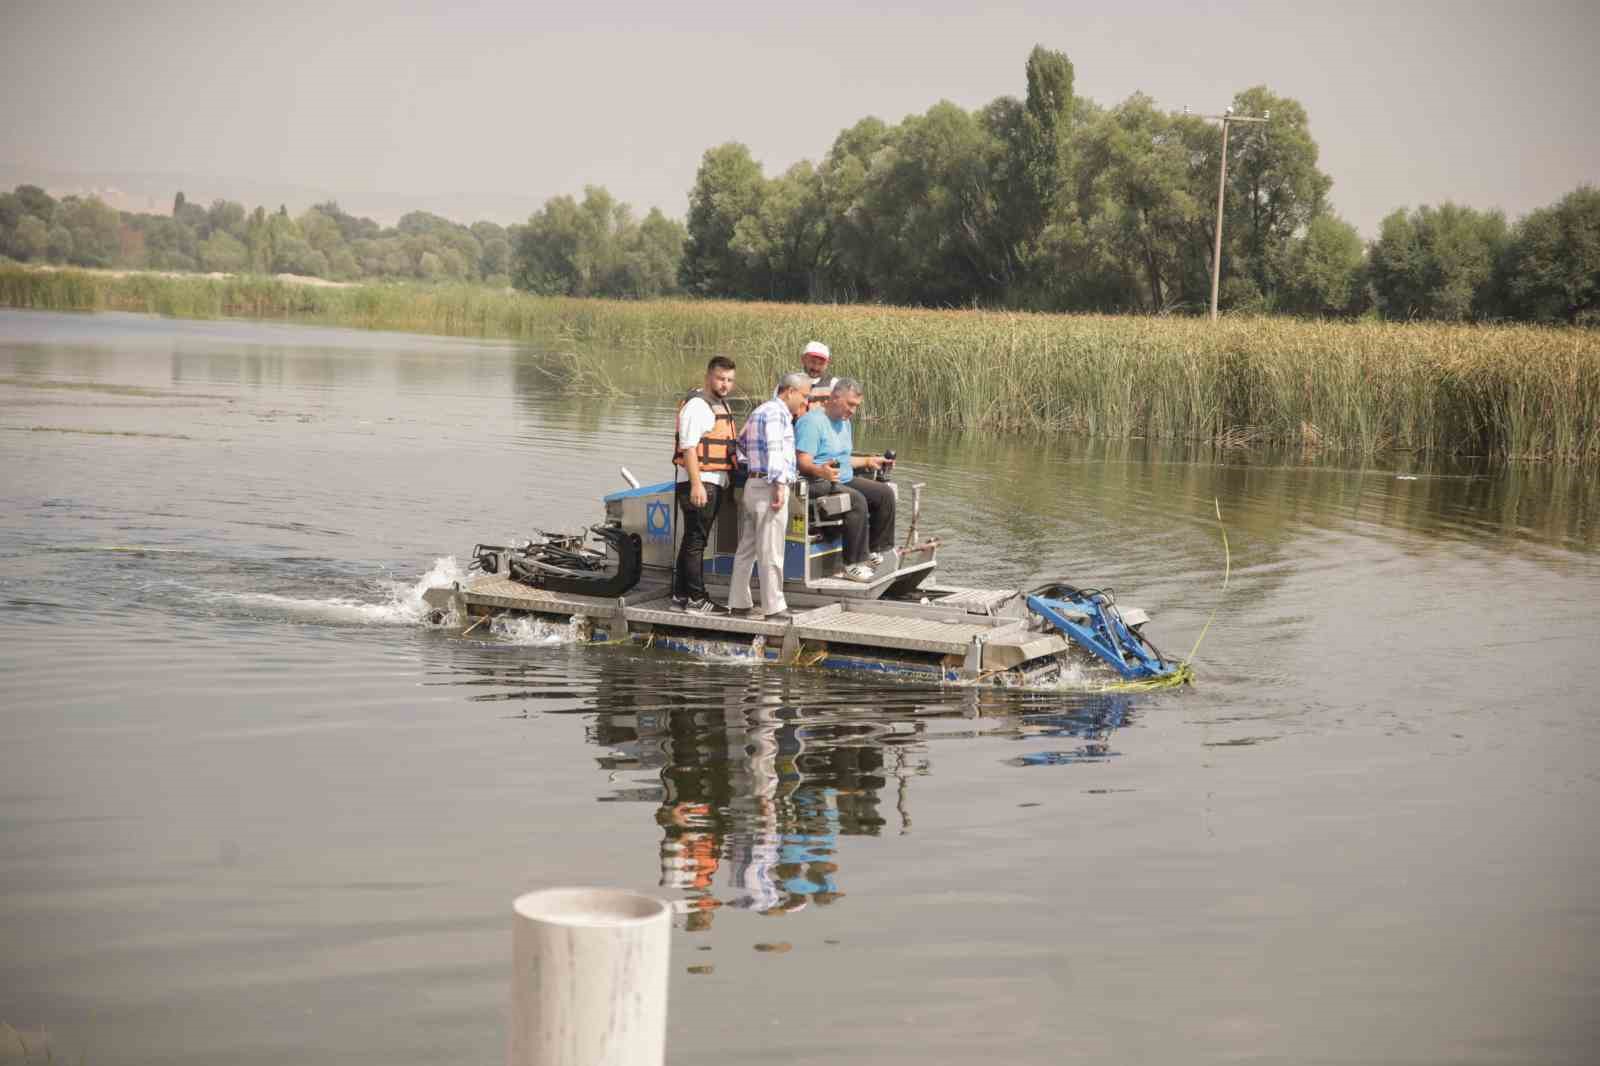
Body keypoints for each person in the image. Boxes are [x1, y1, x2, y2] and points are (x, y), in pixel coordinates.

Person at [793, 377, 895, 582]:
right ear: (835, 397)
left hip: (842, 478)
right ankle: (852, 564)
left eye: (856, 406)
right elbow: (802, 463)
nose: (853, 411)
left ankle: (874, 551)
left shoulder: (845, 423)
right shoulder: (812, 422)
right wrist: (822, 472)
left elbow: (843, 458)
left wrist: (868, 460)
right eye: (850, 405)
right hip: (816, 481)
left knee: (885, 494)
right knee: (856, 500)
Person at [729, 372, 810, 619]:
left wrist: (752, 465)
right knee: (771, 550)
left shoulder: (759, 411)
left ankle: (739, 602)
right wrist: (778, 484)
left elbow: (740, 442)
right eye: (804, 396)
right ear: (790, 391)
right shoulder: (777, 413)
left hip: (753, 485)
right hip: (768, 486)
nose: (804, 403)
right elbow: (775, 449)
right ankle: (774, 608)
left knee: (747, 549)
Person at [672, 355, 738, 612]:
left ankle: (681, 593)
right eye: (721, 378)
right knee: (697, 542)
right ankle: (697, 600)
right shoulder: (698, 406)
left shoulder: (719, 404)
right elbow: (688, 448)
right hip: (700, 483)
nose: (725, 384)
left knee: (692, 539)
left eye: (730, 380)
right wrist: (697, 485)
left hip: (712, 482)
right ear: (708, 376)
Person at [797, 340, 838, 410]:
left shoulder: (833, 384)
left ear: (827, 364)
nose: (816, 367)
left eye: (821, 364)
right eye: (813, 362)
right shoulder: (791, 382)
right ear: (803, 359)